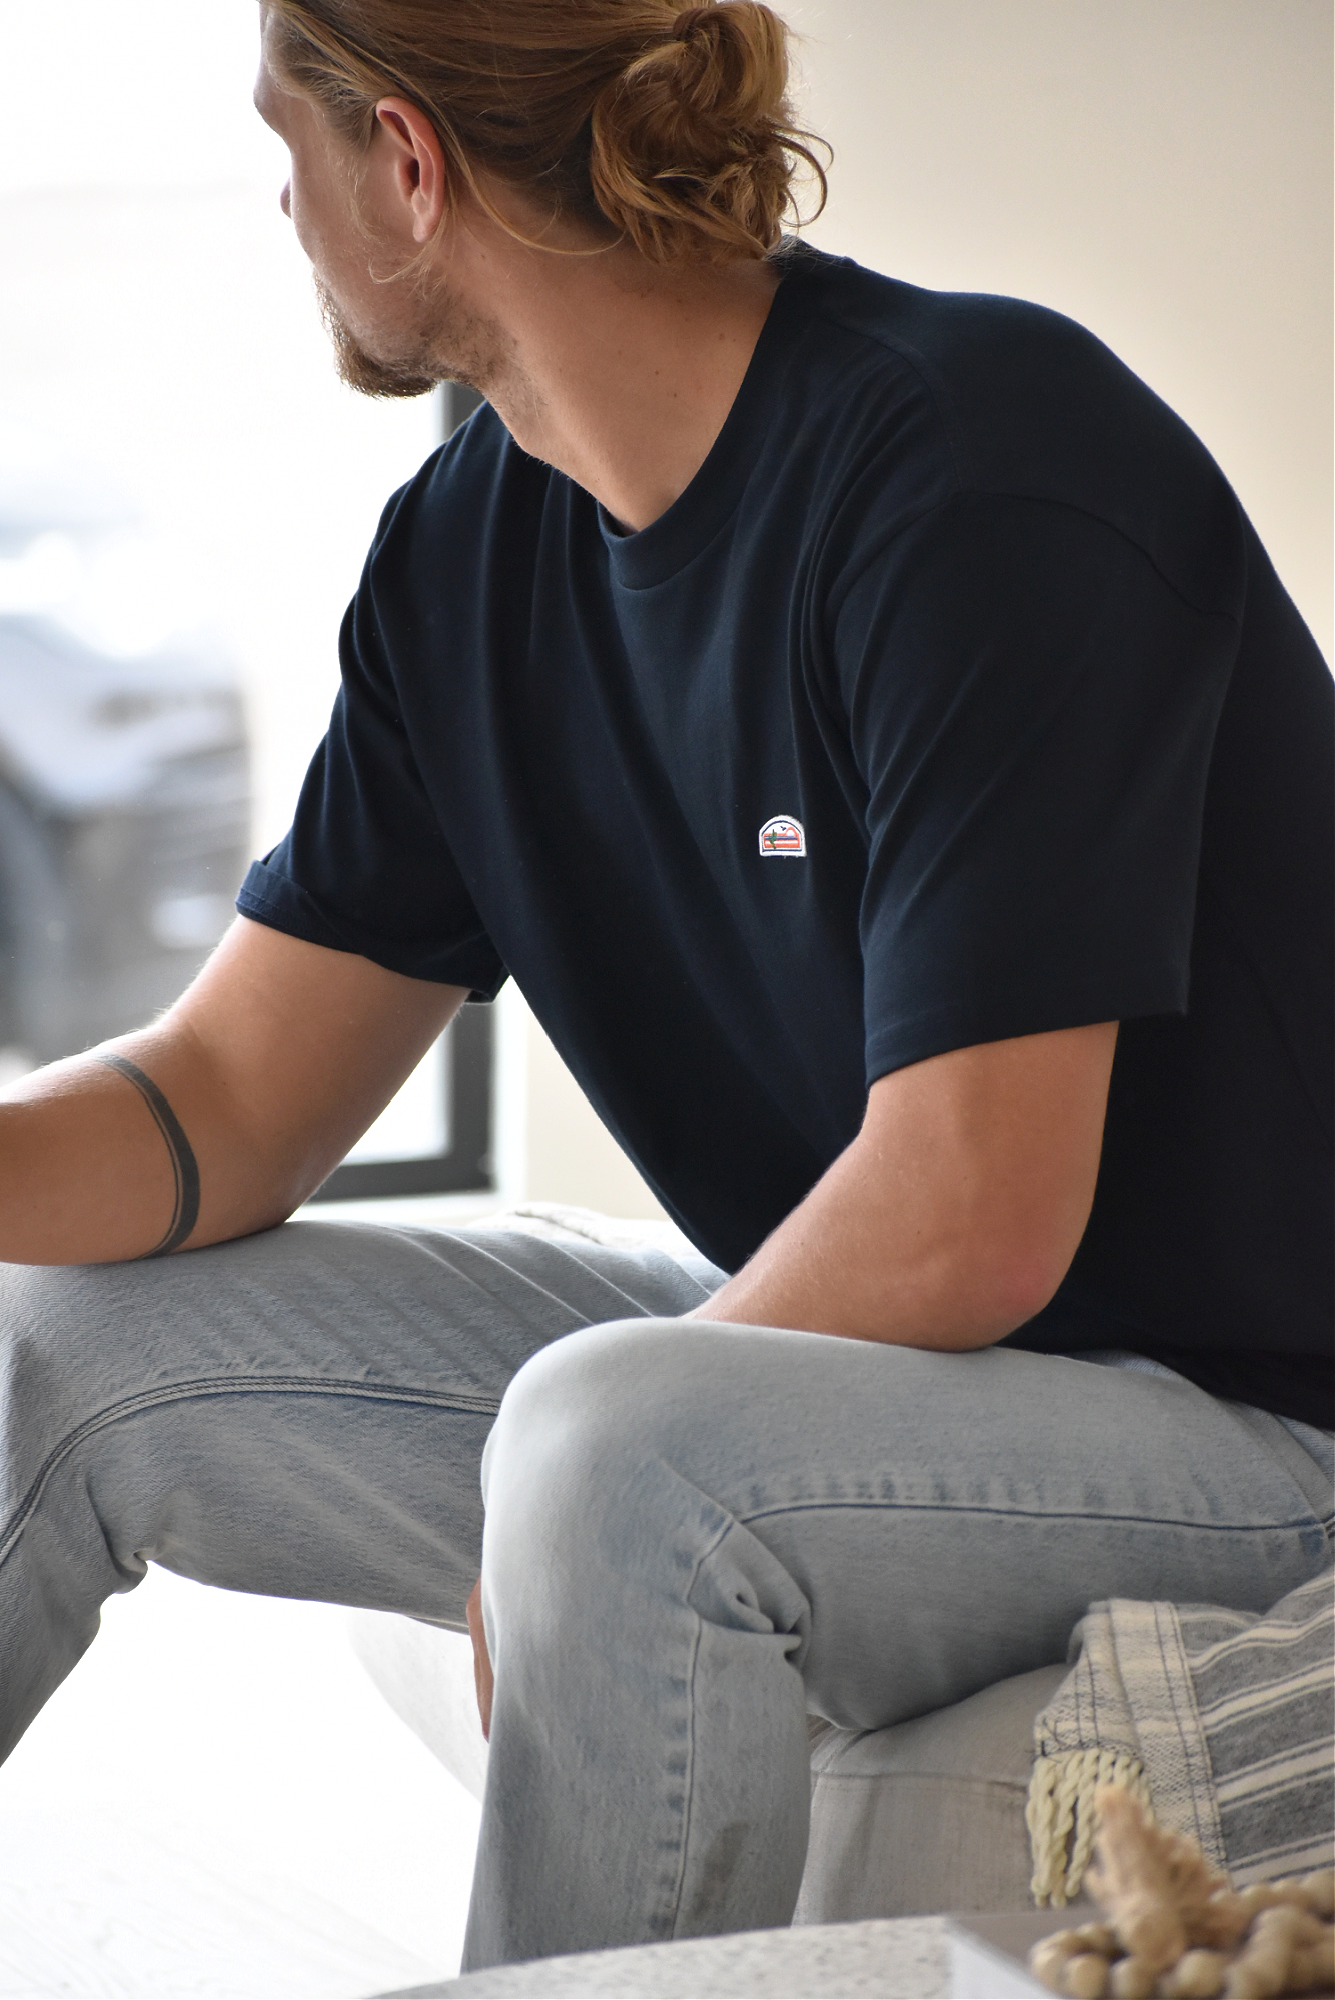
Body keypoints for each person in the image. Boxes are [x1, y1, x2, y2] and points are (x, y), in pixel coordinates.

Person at [0, 0, 1330, 1973]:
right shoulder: (465, 564)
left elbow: (976, 1209)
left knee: (615, 1450)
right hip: (891, 1391)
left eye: (287, 140)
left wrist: (595, 1465)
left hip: (1251, 1427)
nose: (278, 199)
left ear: (409, 164)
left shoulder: (984, 470)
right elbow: (232, 1102)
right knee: (65, 1339)